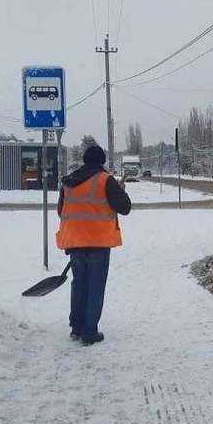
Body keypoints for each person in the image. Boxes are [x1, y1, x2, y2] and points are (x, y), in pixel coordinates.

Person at [55, 145, 131, 345]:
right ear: (102, 161)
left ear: (84, 160)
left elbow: (61, 211)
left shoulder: (68, 182)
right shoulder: (105, 180)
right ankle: (89, 331)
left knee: (79, 283)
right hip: (97, 242)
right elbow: (124, 208)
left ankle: (76, 327)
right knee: (95, 285)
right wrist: (121, 191)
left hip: (75, 242)